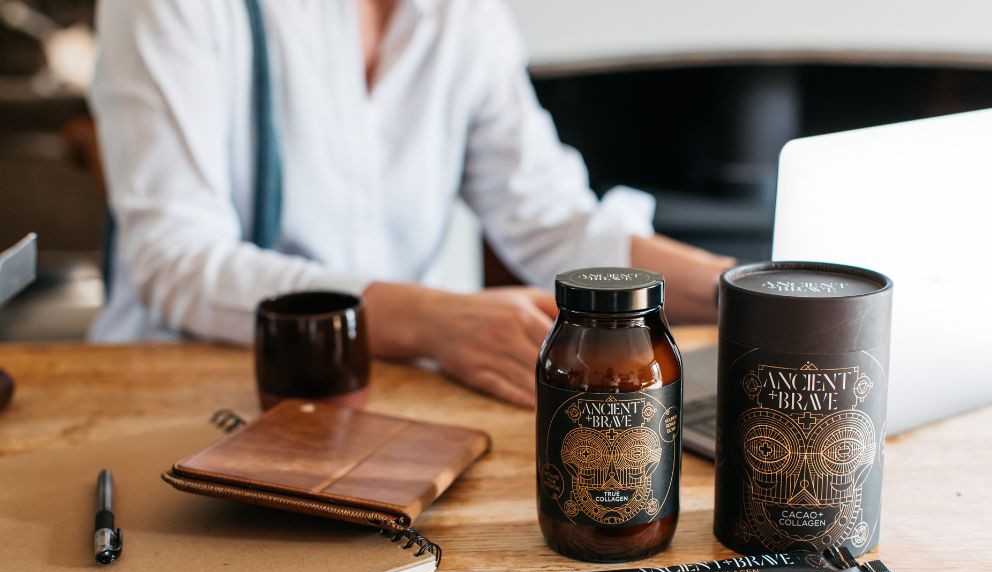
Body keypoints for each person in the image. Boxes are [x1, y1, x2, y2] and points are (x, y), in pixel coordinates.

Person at [90, 0, 734, 406]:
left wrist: (748, 294)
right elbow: (172, 258)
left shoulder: (462, 18)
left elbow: (551, 223)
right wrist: (435, 321)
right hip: (182, 393)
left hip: (389, 395)